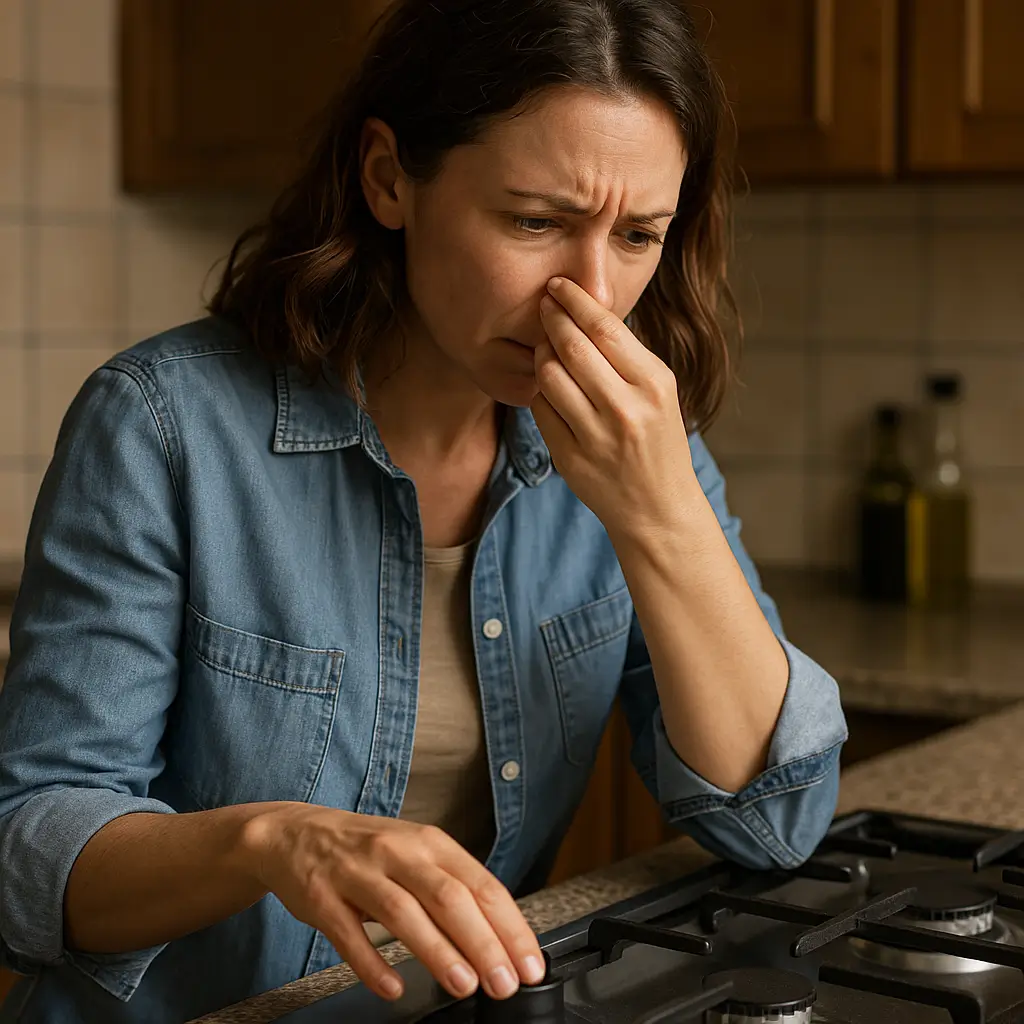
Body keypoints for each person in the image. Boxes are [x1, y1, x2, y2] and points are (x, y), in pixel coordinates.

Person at [0, 1, 847, 1020]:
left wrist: (661, 510)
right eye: (535, 222)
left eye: (636, 236)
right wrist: (274, 839)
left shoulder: (640, 449)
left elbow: (774, 825)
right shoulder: (162, 424)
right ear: (389, 177)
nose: (588, 295)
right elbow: (30, 848)